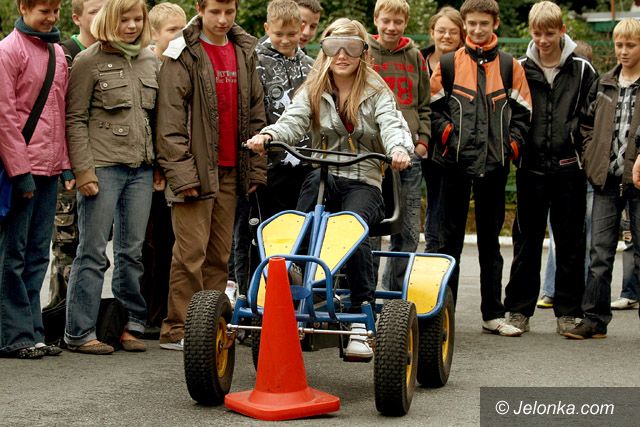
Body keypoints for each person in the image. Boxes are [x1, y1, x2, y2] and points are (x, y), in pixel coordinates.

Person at [247, 18, 413, 360]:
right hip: (323, 173)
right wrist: (269, 135)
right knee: (302, 213)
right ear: (324, 50)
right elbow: (293, 120)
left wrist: (398, 149)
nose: (342, 55)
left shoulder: (377, 90)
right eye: (333, 47)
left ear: (363, 51)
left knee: (352, 226)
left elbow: (392, 124)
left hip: (364, 178)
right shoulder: (313, 88)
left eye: (351, 47)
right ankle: (292, 275)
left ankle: (360, 314)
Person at [156, 0, 267, 351]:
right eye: (215, 12)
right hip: (195, 169)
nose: (222, 19)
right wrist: (182, 174)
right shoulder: (183, 52)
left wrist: (255, 167)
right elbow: (169, 121)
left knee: (219, 256)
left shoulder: (244, 50)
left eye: (229, 12)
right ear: (200, 9)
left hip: (233, 169)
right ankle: (178, 328)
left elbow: (256, 112)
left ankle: (211, 329)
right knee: (190, 255)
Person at [429, 0, 531, 336]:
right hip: (453, 165)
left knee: (490, 244)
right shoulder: (448, 64)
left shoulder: (510, 66)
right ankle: (444, 316)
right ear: (464, 25)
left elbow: (524, 114)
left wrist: (510, 146)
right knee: (448, 244)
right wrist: (448, 135)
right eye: (471, 23)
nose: (476, 29)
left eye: (483, 23)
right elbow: (432, 110)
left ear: (495, 24)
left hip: (494, 166)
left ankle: (492, 314)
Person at [64, 0, 158, 354]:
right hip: (102, 168)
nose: (132, 26)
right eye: (124, 20)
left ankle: (129, 325)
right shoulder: (87, 61)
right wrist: (83, 170)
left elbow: (156, 118)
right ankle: (79, 332)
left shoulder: (149, 60)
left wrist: (159, 167)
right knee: (91, 252)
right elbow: (74, 119)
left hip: (141, 168)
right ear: (108, 20)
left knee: (132, 251)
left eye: (138, 19)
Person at [502, 1, 597, 335]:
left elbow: (591, 118)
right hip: (530, 168)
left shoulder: (583, 70)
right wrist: (516, 150)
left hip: (570, 169)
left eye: (550, 33)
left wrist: (580, 149)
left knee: (570, 242)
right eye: (537, 33)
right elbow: (511, 113)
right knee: (525, 241)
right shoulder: (519, 68)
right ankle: (518, 309)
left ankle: (568, 312)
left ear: (562, 31)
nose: (543, 40)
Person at [0, 0, 73, 359]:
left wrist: (66, 164)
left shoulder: (57, 52)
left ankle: (33, 331)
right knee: (11, 255)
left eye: (56, 10)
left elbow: (59, 112)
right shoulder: (7, 51)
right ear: (23, 7)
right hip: (21, 171)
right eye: (44, 10)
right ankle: (12, 336)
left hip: (50, 168)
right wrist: (21, 173)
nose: (51, 17)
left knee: (37, 255)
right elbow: (5, 117)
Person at [228, 0, 314, 302]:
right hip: (264, 163)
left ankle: (293, 300)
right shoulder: (253, 60)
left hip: (303, 162)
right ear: (267, 28)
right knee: (254, 234)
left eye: (292, 34)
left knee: (297, 233)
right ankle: (249, 298)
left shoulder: (310, 65)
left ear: (301, 29)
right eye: (279, 34)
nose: (286, 40)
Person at [565, 18, 640, 339]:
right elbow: (585, 124)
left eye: (631, 45)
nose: (623, 51)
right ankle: (594, 319)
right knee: (599, 252)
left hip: (638, 181)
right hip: (605, 180)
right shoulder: (604, 82)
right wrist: (591, 156)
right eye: (619, 45)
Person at [45, 0, 105, 313]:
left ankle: (90, 317)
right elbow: (58, 114)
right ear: (77, 17)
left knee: (98, 249)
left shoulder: (114, 52)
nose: (101, 16)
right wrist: (67, 166)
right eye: (94, 11)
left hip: (103, 163)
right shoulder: (64, 53)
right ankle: (60, 315)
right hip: (67, 169)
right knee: (67, 247)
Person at [368, 0, 430, 291]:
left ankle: (394, 296)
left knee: (407, 231)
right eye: (386, 21)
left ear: (405, 23)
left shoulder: (415, 57)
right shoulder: (365, 53)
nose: (391, 27)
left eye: (398, 21)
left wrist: (422, 141)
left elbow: (424, 104)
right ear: (376, 20)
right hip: (372, 154)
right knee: (370, 229)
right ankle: (365, 295)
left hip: (408, 154)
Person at [137, 2, 186, 336]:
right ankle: (145, 313)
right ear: (154, 34)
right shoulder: (148, 66)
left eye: (183, 29)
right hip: (150, 168)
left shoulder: (183, 65)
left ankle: (163, 310)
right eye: (172, 30)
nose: (179, 35)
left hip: (175, 169)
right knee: (147, 246)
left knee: (170, 243)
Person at [419, 6, 464, 253]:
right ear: (432, 32)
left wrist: (449, 133)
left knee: (440, 204)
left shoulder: (464, 64)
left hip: (447, 146)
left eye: (453, 32)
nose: (446, 36)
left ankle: (435, 252)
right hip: (418, 141)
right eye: (441, 31)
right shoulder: (418, 60)